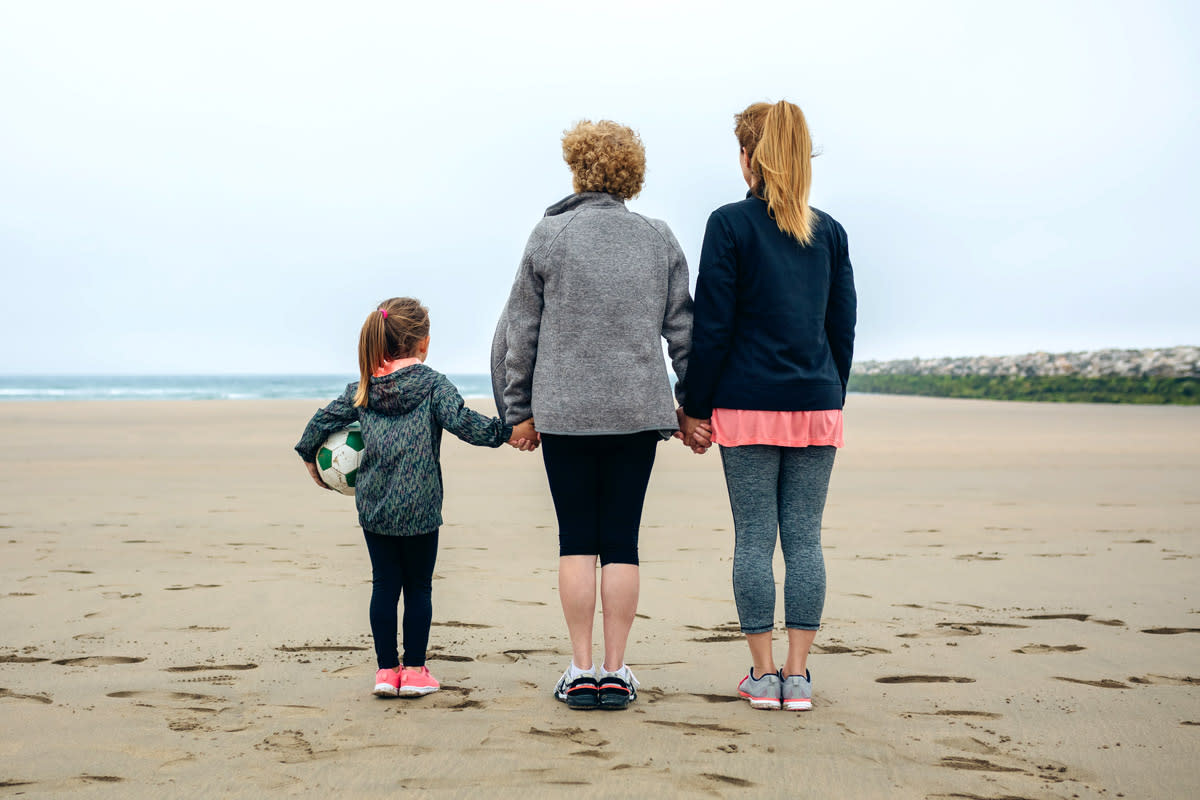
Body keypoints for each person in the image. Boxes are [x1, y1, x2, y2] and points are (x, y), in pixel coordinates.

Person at [491, 119, 704, 710]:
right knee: (623, 542)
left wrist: (518, 412)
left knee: (576, 540)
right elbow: (683, 333)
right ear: (631, 174)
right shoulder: (659, 238)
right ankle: (616, 670)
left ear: (578, 168)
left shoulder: (550, 235)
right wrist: (691, 407)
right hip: (639, 412)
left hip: (565, 414)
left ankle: (580, 669)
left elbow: (520, 334)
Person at [679, 101, 857, 711]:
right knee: (804, 540)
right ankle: (798, 677)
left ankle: (762, 676)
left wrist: (693, 406)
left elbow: (714, 329)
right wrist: (829, 395)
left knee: (754, 540)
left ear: (749, 157)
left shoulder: (728, 224)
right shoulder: (829, 231)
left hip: (747, 405)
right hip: (815, 403)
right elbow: (843, 331)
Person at [296, 297, 536, 699]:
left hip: (374, 507)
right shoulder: (433, 384)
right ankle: (416, 672)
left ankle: (387, 672)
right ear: (422, 343)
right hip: (421, 506)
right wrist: (509, 432)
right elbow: (464, 423)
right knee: (419, 589)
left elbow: (322, 420)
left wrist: (308, 454)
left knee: (384, 585)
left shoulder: (365, 388)